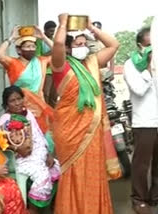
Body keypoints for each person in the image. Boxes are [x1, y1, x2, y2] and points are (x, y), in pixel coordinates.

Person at [50, 14, 121, 214]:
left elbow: (114, 45)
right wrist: (63, 24)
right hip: (70, 134)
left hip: (93, 132)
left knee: (93, 173)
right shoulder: (61, 67)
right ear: (69, 47)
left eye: (85, 43)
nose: (82, 46)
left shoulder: (92, 63)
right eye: (77, 43)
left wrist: (91, 27)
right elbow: (56, 44)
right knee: (74, 174)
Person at [0, 85, 60, 214]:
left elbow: (39, 136)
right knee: (42, 176)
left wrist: (47, 154)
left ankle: (52, 205)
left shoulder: (28, 113)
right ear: (6, 104)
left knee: (56, 168)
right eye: (12, 101)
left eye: (19, 99)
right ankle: (32, 208)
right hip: (20, 158)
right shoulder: (6, 119)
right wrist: (17, 149)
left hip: (38, 152)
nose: (17, 103)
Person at [0, 25, 54, 147]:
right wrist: (11, 39)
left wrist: (43, 37)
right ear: (19, 50)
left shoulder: (41, 61)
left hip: (39, 108)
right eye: (27, 46)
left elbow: (59, 52)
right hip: (19, 108)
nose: (31, 49)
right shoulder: (13, 63)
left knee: (42, 140)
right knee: (20, 138)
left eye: (33, 46)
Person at [124, 27, 158, 214]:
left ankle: (155, 197)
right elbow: (138, 90)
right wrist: (148, 69)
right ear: (139, 46)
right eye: (148, 45)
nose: (153, 49)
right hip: (145, 121)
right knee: (141, 164)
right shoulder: (131, 64)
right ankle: (139, 199)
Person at [35, 20, 59, 108]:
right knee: (46, 94)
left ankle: (53, 114)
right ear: (45, 30)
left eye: (54, 31)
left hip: (55, 71)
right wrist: (51, 52)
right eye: (51, 31)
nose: (52, 33)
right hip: (46, 71)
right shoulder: (39, 41)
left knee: (54, 95)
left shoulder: (54, 40)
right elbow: (38, 57)